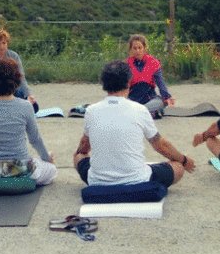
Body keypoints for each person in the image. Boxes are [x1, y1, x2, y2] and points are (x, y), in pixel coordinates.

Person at [73, 60, 195, 188]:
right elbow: (160, 145)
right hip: (138, 180)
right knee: (178, 167)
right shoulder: (140, 110)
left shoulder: (91, 110)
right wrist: (184, 160)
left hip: (98, 181)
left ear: (103, 83)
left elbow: (83, 146)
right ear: (128, 82)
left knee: (78, 157)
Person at [0, 28, 37, 112]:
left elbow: (21, 76)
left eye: (4, 43)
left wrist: (28, 94)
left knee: (33, 106)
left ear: (7, 43)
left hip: (11, 89)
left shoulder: (14, 56)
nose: (2, 46)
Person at [126, 34, 174, 118]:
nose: (137, 51)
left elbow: (160, 82)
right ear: (131, 50)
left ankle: (141, 112)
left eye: (140, 48)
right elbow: (122, 87)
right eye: (135, 48)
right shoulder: (126, 65)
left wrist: (166, 97)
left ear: (144, 48)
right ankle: (147, 113)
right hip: (132, 100)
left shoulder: (153, 63)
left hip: (150, 99)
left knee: (162, 102)